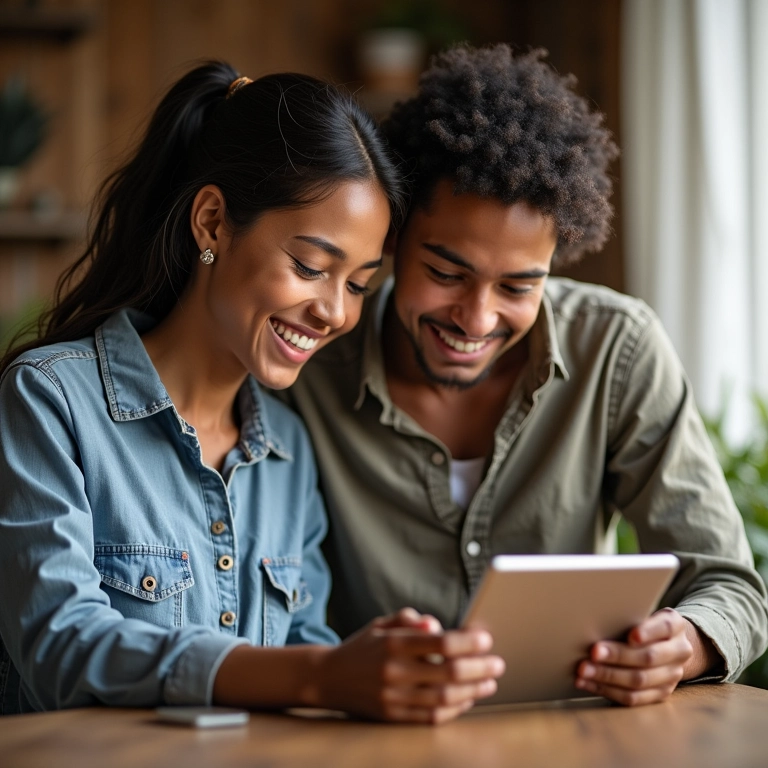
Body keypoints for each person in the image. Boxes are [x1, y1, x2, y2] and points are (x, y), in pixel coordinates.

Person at [0, 61, 505, 722]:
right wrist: (320, 676)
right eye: (310, 266)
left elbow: (307, 650)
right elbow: (62, 646)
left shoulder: (288, 450)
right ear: (211, 223)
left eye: (356, 284)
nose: (335, 312)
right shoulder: (49, 402)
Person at [286, 44, 768, 706]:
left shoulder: (615, 350)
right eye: (446, 274)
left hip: (570, 733)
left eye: (518, 285)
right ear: (393, 237)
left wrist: (686, 640)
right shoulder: (309, 361)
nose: (476, 319)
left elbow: (731, 585)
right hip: (367, 736)